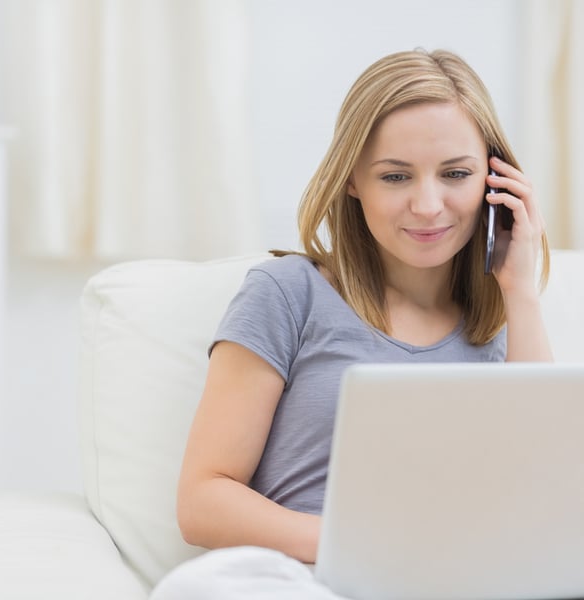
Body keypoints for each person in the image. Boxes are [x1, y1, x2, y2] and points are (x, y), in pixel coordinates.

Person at [149, 48, 553, 600]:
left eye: (456, 173)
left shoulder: (503, 327)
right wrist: (363, 544)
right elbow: (202, 502)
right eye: (395, 176)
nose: (429, 205)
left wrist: (521, 292)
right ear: (353, 180)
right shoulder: (288, 293)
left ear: (494, 181)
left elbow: (537, 502)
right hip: (302, 578)